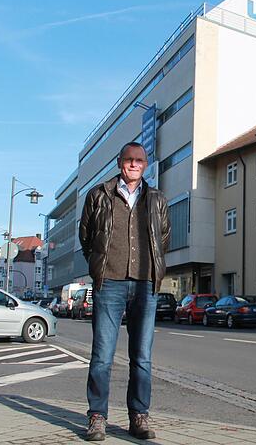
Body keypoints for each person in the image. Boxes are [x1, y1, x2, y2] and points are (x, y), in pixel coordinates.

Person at [79, 141, 171, 441]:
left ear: (145, 165)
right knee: (102, 356)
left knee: (142, 357)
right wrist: (99, 266)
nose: (134, 164)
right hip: (110, 283)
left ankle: (139, 416)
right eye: (129, 159)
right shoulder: (99, 195)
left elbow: (164, 238)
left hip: (146, 285)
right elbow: (87, 236)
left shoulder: (156, 199)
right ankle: (97, 417)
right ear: (120, 162)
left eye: (139, 160)